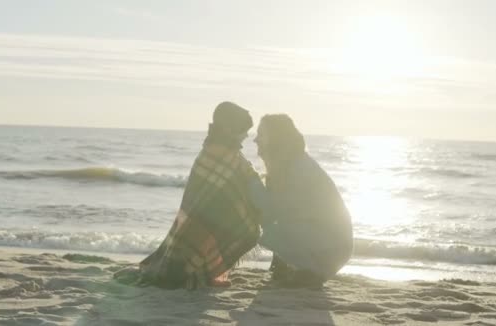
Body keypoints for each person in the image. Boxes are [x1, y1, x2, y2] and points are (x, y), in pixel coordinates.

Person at [138, 102, 261, 289]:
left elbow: (236, 177)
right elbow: (228, 178)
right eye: (243, 130)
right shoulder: (218, 149)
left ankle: (208, 273)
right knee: (204, 238)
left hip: (213, 210)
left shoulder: (223, 147)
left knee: (211, 237)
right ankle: (202, 275)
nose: (246, 135)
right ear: (229, 128)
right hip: (202, 213)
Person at [250, 114, 353, 288]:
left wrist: (250, 181)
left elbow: (274, 212)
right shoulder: (288, 164)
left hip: (331, 248)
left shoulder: (298, 168)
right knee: (276, 226)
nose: (255, 140)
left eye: (261, 134)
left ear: (276, 138)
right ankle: (296, 268)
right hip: (329, 244)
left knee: (271, 228)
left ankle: (311, 270)